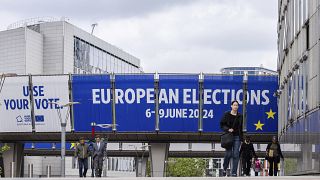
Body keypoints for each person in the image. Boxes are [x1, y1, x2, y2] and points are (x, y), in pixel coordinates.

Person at [220, 100, 243, 177]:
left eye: (237, 105)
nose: (235, 107)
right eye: (234, 105)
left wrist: (241, 138)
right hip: (229, 136)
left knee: (236, 154)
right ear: (231, 106)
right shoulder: (227, 114)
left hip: (237, 137)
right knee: (228, 154)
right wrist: (228, 129)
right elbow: (222, 124)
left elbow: (241, 128)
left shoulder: (240, 116)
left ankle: (234, 172)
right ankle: (224, 168)